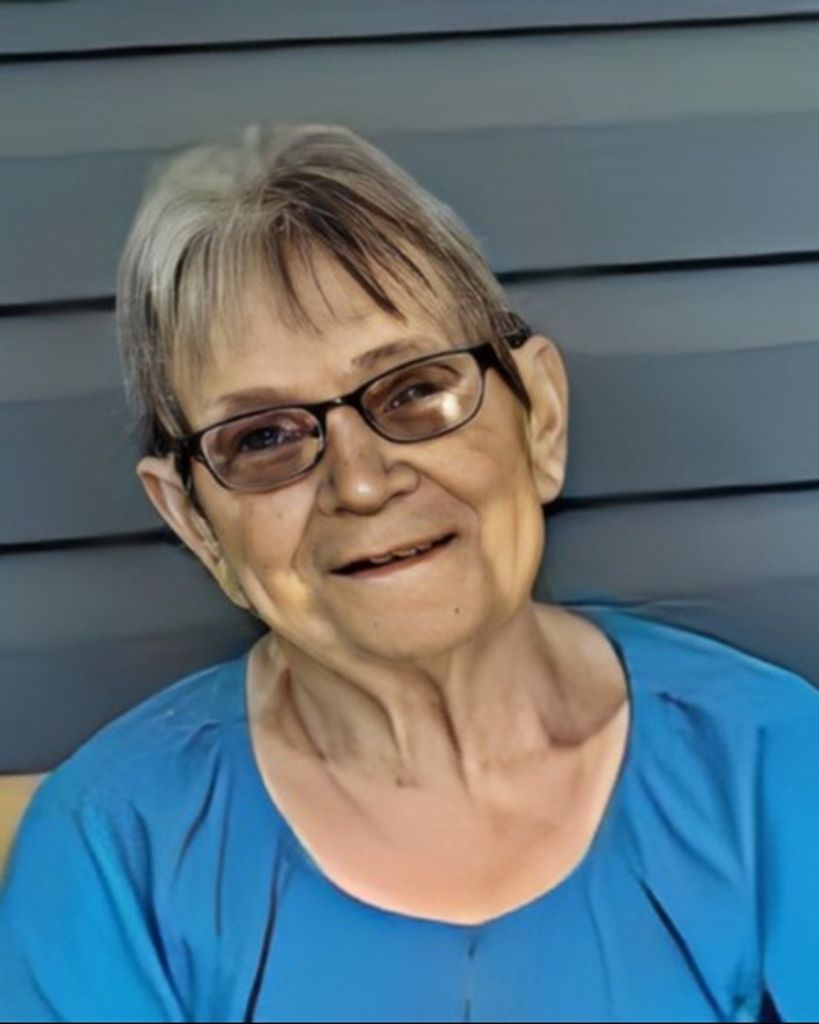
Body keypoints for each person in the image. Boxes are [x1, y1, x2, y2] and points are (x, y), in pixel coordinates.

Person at [0, 122, 816, 1023]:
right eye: (263, 437)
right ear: (194, 520)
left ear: (539, 418)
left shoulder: (774, 767)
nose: (359, 481)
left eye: (414, 389)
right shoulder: (115, 853)